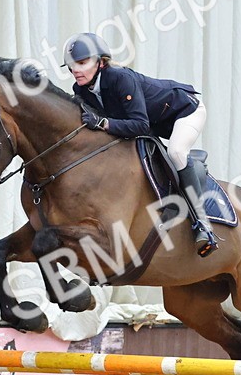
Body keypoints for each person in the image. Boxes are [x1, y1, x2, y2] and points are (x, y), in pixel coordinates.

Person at [63, 32, 218, 257]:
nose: (75, 70)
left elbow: (139, 125)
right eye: (70, 66)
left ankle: (203, 224)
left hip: (184, 111)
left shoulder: (119, 78)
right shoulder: (80, 90)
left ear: (101, 61)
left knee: (176, 152)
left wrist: (103, 122)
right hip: (155, 121)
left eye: (82, 62)